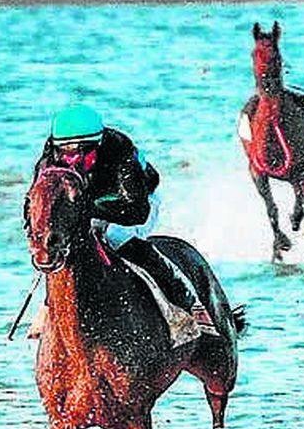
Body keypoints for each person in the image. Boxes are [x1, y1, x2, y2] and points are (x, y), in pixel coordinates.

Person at [34, 104, 216, 339]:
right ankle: (50, 307)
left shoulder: (120, 151)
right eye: (66, 153)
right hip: (86, 205)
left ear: (98, 146)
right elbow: (37, 200)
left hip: (135, 202)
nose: (73, 160)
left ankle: (185, 305)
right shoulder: (51, 156)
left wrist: (88, 211)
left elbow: (136, 212)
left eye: (81, 152)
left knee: (117, 238)